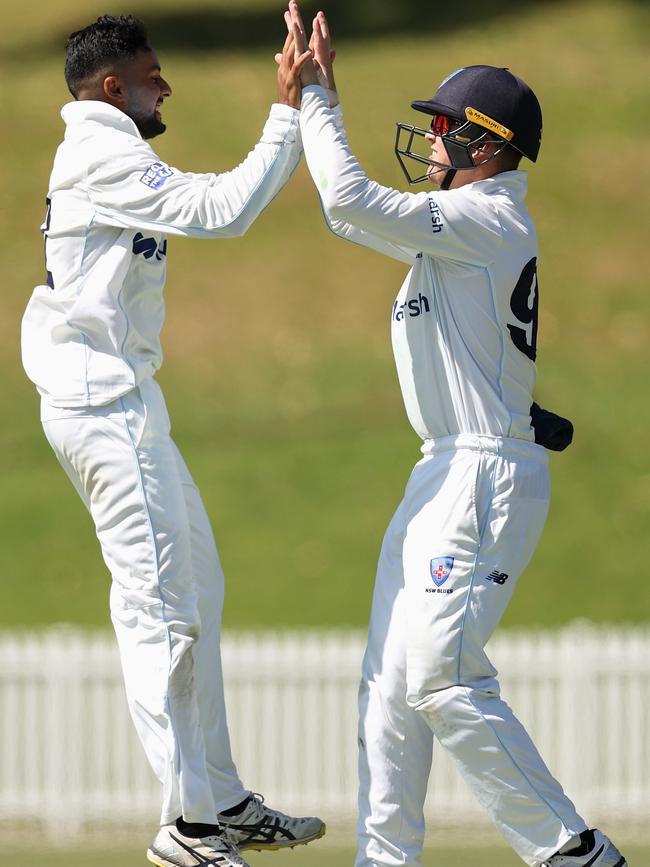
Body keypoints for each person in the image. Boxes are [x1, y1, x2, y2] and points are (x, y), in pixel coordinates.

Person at [284, 3, 626, 866]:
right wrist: (518, 404)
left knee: (443, 677)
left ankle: (571, 850)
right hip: (444, 471)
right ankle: (385, 858)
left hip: (480, 479)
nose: (429, 142)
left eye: (441, 129)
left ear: (486, 144)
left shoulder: (490, 220)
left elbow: (346, 202)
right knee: (392, 683)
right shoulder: (465, 233)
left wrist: (316, 97)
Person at [20, 14, 325, 867]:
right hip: (100, 405)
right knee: (162, 612)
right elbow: (222, 211)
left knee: (198, 592)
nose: (167, 87)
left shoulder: (112, 146)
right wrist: (290, 110)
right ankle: (186, 827)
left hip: (126, 401)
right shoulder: (99, 151)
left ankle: (221, 799)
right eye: (154, 75)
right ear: (113, 86)